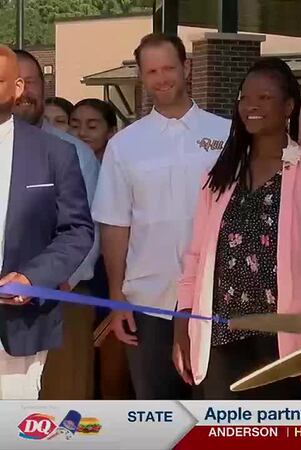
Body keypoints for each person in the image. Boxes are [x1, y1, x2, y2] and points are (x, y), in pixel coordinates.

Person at [175, 57, 301, 400]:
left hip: (287, 338)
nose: (251, 106)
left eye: (264, 98)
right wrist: (183, 323)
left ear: (289, 107)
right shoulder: (220, 175)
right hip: (220, 334)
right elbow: (195, 257)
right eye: (244, 98)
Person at [92, 33, 230, 400]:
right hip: (148, 303)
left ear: (187, 67)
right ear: (141, 76)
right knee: (157, 416)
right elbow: (114, 224)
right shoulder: (124, 144)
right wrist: (116, 296)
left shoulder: (227, 134)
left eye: (169, 68)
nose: (162, 78)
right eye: (152, 71)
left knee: (216, 414)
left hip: (215, 301)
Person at [0, 45, 94, 399]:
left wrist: (32, 278)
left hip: (17, 325)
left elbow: (77, 232)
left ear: (18, 88)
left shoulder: (55, 154)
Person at [69, 97, 130, 399]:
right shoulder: (65, 166)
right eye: (75, 125)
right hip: (79, 278)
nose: (82, 132)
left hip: (115, 277)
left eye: (92, 125)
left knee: (112, 371)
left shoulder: (121, 169)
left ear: (110, 130)